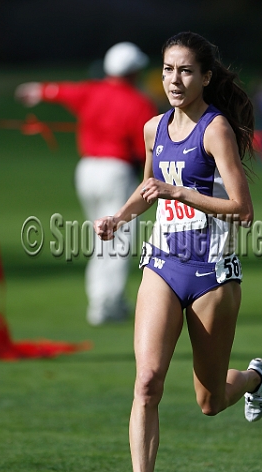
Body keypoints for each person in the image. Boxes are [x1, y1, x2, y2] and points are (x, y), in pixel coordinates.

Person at [94, 31, 262, 472]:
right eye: (168, 70)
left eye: (186, 71)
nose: (175, 80)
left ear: (206, 77)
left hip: (213, 273)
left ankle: (254, 378)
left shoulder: (216, 130)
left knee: (210, 401)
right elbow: (150, 187)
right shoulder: (153, 127)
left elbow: (243, 209)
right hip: (163, 265)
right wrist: (120, 217)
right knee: (147, 381)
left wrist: (181, 191)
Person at [15, 43, 157, 325]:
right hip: (116, 171)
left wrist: (38, 90)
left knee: (100, 237)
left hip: (86, 170)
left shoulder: (92, 91)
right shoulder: (139, 102)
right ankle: (108, 304)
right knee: (118, 237)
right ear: (132, 72)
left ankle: (102, 298)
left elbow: (61, 91)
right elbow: (146, 148)